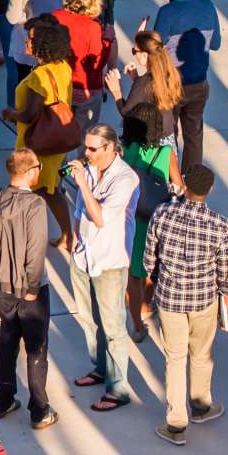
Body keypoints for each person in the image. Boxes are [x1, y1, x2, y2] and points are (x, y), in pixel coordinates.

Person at [143, 163, 228, 445]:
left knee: (175, 359)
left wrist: (156, 276)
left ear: (185, 185)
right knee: (201, 354)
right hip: (203, 300)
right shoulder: (219, 224)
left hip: (169, 298)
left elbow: (149, 259)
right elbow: (225, 269)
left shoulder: (163, 213)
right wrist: (227, 297)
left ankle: (176, 422)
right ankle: (201, 405)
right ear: (209, 190)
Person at [0, 148, 56, 430]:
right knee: (36, 348)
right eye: (38, 166)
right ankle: (39, 408)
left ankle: (4, 397)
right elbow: (36, 251)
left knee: (7, 341)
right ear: (29, 171)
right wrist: (33, 286)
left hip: (4, 286)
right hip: (31, 288)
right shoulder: (34, 205)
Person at [66, 125, 140, 413]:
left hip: (109, 262)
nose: (87, 153)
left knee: (113, 327)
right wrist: (74, 238)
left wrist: (83, 183)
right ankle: (101, 368)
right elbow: (79, 210)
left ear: (112, 147)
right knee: (89, 319)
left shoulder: (125, 179)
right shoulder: (90, 169)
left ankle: (118, 387)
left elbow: (99, 218)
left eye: (94, 149)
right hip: (84, 257)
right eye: (86, 147)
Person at [117, 30, 184, 337]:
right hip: (164, 148)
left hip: (137, 217)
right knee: (157, 261)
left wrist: (118, 90)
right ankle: (149, 302)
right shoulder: (170, 75)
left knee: (135, 269)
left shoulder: (129, 154)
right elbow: (178, 185)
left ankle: (136, 320)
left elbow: (130, 111)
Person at [3, 15, 81, 246]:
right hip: (55, 140)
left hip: (37, 143)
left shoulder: (38, 76)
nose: (26, 42)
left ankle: (29, 238)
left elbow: (29, 114)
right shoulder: (62, 67)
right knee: (49, 188)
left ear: (41, 47)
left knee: (31, 190)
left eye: (29, 40)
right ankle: (67, 234)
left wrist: (11, 113)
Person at [148, 0, 223, 179]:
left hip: (171, 86)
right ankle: (191, 181)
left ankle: (171, 180)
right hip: (199, 83)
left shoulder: (168, 11)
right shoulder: (208, 6)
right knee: (194, 135)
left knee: (166, 135)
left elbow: (155, 49)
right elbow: (216, 43)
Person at [51, 0, 111, 110]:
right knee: (87, 129)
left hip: (58, 83)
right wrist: (107, 40)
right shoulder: (92, 26)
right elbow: (97, 64)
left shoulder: (56, 16)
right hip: (85, 88)